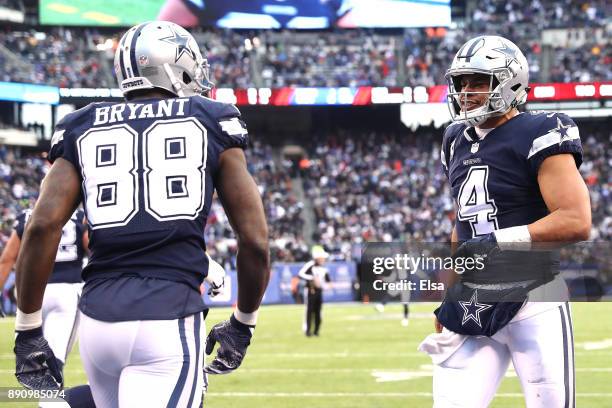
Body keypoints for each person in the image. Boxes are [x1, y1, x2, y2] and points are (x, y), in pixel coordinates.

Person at [13, 20, 270, 408]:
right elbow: (255, 241)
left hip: (98, 324)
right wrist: (243, 324)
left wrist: (28, 329)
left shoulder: (80, 125)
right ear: (172, 65)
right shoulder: (211, 118)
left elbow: (42, 226)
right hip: (167, 316)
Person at [419, 35, 590, 407]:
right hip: (474, 296)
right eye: (462, 82)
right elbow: (463, 225)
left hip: (535, 294)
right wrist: (450, 289)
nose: (467, 91)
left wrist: (499, 241)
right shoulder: (454, 139)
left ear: (509, 81)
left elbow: (576, 220)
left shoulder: (541, 130)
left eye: (478, 81)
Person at [298, 246, 330, 336]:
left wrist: (323, 285)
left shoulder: (323, 268)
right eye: (322, 257)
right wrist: (312, 278)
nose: (324, 259)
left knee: (318, 311)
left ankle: (316, 330)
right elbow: (300, 274)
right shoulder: (310, 264)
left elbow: (327, 281)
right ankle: (308, 330)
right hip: (310, 290)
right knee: (309, 310)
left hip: (319, 291)